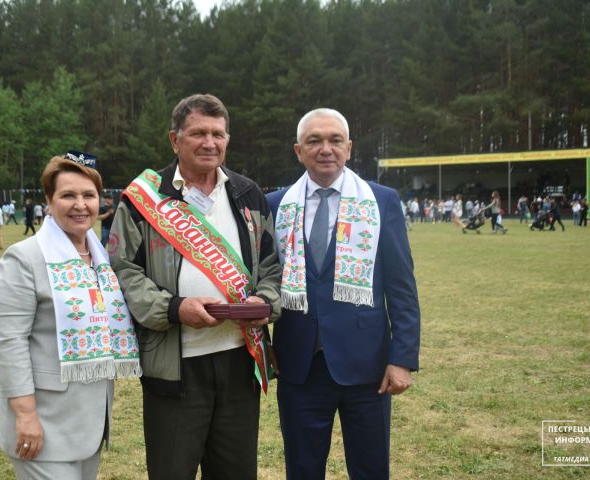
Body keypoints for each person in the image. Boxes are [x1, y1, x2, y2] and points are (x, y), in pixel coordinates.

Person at [110, 93, 282, 480]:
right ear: (175, 140)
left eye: (218, 134)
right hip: (173, 367)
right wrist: (174, 309)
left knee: (236, 473)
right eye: (198, 133)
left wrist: (263, 302)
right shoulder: (143, 200)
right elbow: (123, 272)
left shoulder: (248, 194)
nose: (210, 142)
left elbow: (272, 267)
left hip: (240, 362)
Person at [267, 108, 421, 479]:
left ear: (349, 148)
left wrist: (402, 358)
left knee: (370, 469)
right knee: (302, 469)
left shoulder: (381, 201)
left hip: (368, 367)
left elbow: (402, 288)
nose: (325, 149)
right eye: (314, 141)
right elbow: (263, 284)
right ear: (298, 151)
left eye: (335, 140)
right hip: (298, 365)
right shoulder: (274, 205)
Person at [0, 155, 140, 480]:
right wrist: (25, 414)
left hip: (89, 426)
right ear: (49, 201)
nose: (80, 205)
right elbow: (9, 343)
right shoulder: (24, 258)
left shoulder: (102, 259)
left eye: (88, 195)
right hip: (44, 423)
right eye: (68, 196)